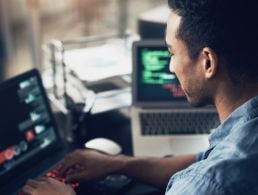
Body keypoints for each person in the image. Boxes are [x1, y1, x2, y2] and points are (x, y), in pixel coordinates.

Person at [21, 0, 258, 194]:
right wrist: (121, 164)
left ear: (208, 62)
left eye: (172, 52)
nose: (170, 67)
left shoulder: (202, 185)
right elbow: (200, 161)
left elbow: (206, 176)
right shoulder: (245, 133)